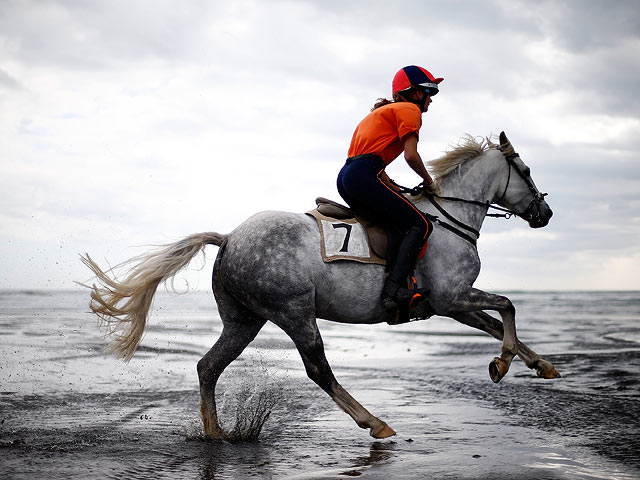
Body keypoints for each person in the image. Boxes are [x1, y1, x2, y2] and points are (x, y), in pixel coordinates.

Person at [337, 65, 443, 312]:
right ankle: (393, 290)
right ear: (416, 93)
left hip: (348, 177)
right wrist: (429, 181)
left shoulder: (383, 112)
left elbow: (371, 163)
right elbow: (411, 156)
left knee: (398, 222)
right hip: (364, 175)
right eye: (430, 92)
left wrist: (394, 188)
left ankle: (391, 281)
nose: (431, 100)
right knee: (421, 224)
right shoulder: (409, 111)